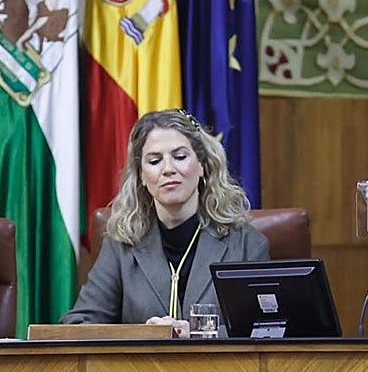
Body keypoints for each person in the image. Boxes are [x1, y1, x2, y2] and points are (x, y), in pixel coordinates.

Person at [61, 109, 269, 335]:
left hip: (221, 369)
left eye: (180, 157)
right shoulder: (121, 244)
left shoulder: (246, 243)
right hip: (142, 369)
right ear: (141, 175)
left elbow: (262, 328)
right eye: (155, 160)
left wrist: (198, 334)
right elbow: (78, 325)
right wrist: (143, 335)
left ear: (201, 165)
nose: (168, 169)